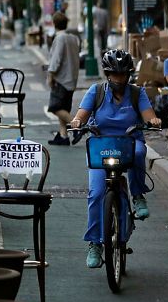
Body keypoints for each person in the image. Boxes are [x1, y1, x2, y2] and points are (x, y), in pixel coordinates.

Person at [68, 50, 162, 268]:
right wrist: (76, 121)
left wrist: (154, 120)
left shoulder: (137, 93)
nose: (119, 79)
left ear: (129, 75)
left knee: (140, 152)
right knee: (96, 194)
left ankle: (138, 195)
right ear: (107, 74)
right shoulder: (96, 91)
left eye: (123, 74)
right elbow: (81, 114)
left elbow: (148, 115)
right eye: (114, 74)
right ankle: (94, 243)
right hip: (102, 145)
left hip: (129, 142)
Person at [46, 12, 81, 146]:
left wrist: (51, 75)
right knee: (64, 108)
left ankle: (76, 126)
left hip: (61, 78)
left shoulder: (60, 38)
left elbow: (56, 59)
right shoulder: (73, 38)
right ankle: (63, 135)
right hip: (72, 78)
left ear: (54, 24)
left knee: (55, 107)